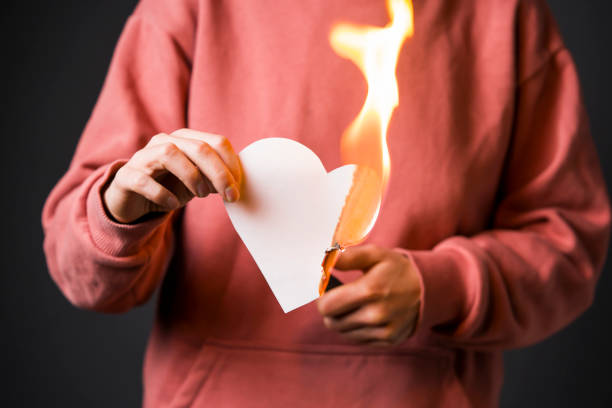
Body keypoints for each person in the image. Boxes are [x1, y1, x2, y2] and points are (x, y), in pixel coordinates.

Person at [42, 0, 610, 406]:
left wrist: (441, 286)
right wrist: (120, 210)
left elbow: (568, 244)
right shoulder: (189, 9)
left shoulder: (509, 15)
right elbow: (81, 270)